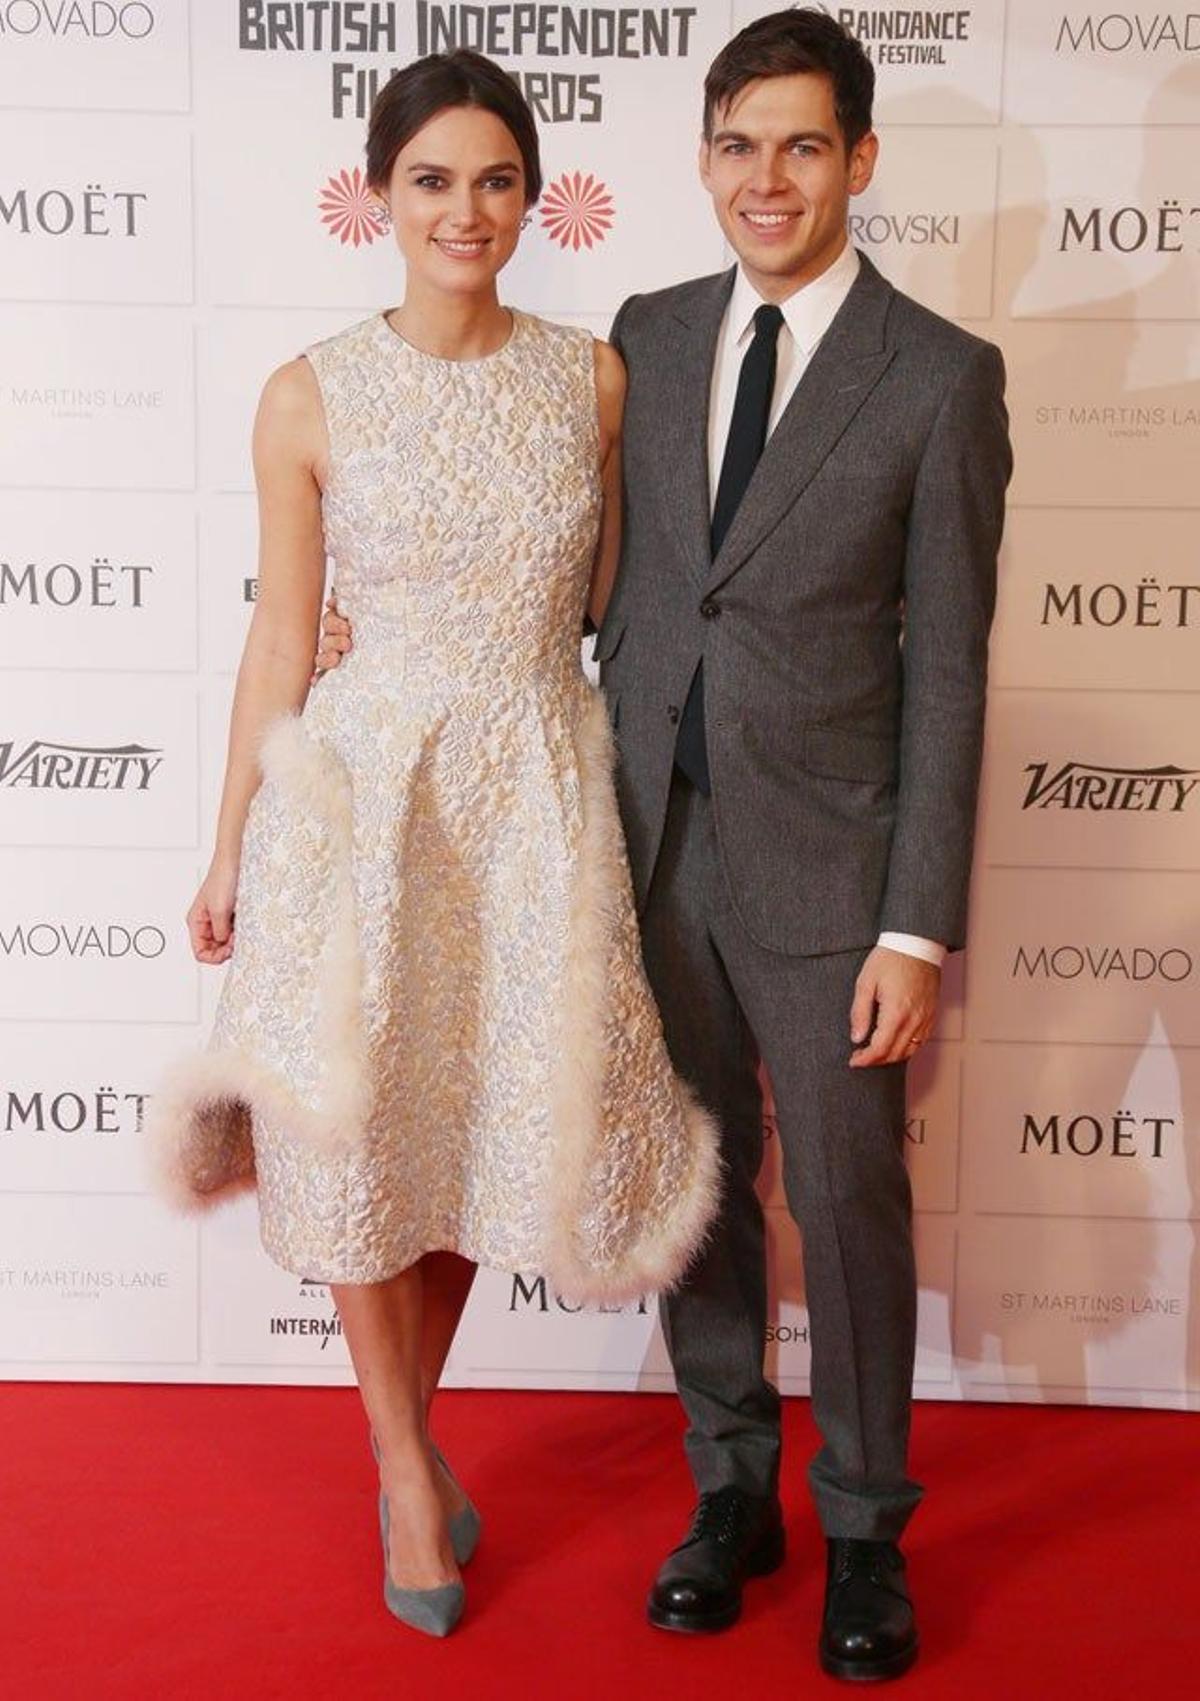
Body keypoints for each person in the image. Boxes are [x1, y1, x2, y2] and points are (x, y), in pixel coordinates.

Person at [318, 9, 1012, 1678]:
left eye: (799, 144)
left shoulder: (940, 376)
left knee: (844, 1199)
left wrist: (916, 927)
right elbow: (584, 573)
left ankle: (860, 1527)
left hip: (835, 869)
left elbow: (953, 669)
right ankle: (733, 1494)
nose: (763, 178)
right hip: (633, 842)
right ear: (701, 158)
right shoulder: (649, 333)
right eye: (734, 144)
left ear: (858, 158)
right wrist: (383, 642)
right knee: (689, 1187)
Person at [147, 49, 719, 1640]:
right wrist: (225, 847)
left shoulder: (595, 380)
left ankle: (416, 1441)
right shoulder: (309, 393)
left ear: (532, 196)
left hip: (537, 795)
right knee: (356, 1144)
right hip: (364, 801)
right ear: (377, 195)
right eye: (431, 180)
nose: (465, 211)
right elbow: (276, 644)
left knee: (473, 1141)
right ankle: (407, 1467)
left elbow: (619, 604)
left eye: (495, 180)